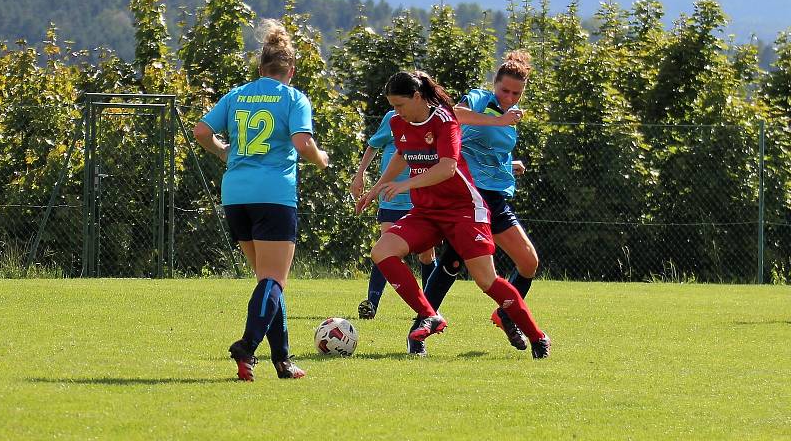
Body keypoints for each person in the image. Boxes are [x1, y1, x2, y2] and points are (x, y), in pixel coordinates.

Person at [356, 70, 550, 359]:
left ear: (418, 97)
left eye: (400, 105)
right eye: (393, 106)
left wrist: (404, 184)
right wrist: (376, 188)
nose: (395, 112)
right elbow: (401, 154)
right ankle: (428, 315)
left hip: (464, 211)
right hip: (427, 212)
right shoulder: (399, 122)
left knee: (487, 281)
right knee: (382, 251)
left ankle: (537, 336)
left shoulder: (445, 120)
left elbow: (447, 167)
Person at [193, 19, 329, 381]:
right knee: (274, 279)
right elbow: (302, 144)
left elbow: (201, 131)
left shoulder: (237, 95)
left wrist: (223, 152)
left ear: (260, 68)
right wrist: (320, 158)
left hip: (236, 194)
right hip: (273, 196)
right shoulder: (293, 98)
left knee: (267, 279)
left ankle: (282, 361)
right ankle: (247, 346)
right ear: (292, 71)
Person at [422, 50, 542, 354]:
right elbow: (454, 115)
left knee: (528, 262)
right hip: (469, 194)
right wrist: (500, 120)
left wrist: (508, 163)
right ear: (495, 84)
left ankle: (505, 314)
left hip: (495, 195)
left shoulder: (510, 115)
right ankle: (421, 324)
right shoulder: (480, 98)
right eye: (505, 90)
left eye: (516, 93)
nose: (510, 97)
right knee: (453, 259)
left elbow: (487, 149)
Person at [350, 110, 436, 320]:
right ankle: (371, 304)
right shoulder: (392, 117)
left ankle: (431, 306)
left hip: (420, 200)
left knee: (426, 255)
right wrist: (359, 175)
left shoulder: (434, 119)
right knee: (385, 250)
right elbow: (373, 145)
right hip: (391, 198)